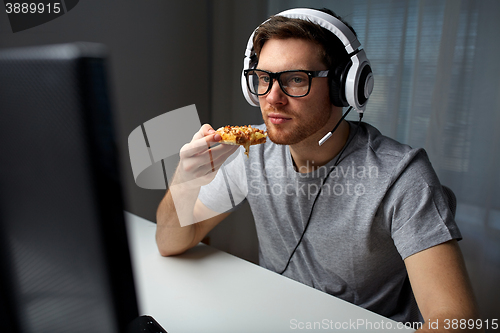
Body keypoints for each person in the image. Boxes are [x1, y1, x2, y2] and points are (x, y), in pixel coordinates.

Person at [156, 7, 481, 331]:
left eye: (296, 79)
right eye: (264, 79)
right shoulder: (250, 153)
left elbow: (458, 320)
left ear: (345, 86)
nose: (273, 98)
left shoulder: (402, 176)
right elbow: (170, 242)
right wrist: (185, 181)